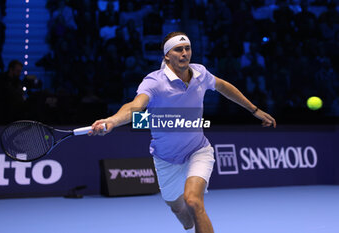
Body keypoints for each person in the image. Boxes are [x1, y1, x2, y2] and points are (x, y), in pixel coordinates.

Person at [90, 32, 276, 233]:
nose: (184, 53)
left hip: (198, 151)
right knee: (180, 210)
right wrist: (111, 121)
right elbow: (135, 107)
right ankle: (191, 222)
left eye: (187, 48)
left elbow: (223, 86)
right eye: (178, 49)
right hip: (165, 159)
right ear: (167, 55)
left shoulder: (201, 74)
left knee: (194, 201)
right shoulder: (154, 82)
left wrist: (255, 110)